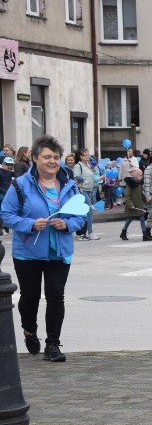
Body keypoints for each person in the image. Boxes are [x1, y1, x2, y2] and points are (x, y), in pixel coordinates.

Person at [0, 135, 86, 362]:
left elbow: (81, 215)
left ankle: (53, 344)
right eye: (47, 157)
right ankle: (29, 330)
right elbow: (6, 214)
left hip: (59, 251)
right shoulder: (20, 185)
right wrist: (29, 224)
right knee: (30, 298)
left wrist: (67, 224)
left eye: (56, 157)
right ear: (35, 159)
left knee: (56, 297)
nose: (52, 161)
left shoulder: (69, 185)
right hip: (28, 252)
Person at [72, 149, 102, 241]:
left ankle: (83, 233)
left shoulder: (88, 165)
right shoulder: (78, 166)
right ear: (80, 157)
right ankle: (89, 232)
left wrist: (100, 178)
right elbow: (77, 177)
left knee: (86, 211)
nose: (87, 156)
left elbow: (91, 178)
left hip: (89, 190)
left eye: (88, 154)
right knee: (89, 211)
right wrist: (79, 184)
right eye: (85, 155)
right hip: (82, 190)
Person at [120, 166, 151, 241]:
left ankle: (144, 234)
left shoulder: (139, 184)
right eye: (140, 175)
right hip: (133, 206)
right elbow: (127, 196)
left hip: (139, 205)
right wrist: (130, 205)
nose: (141, 177)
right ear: (136, 176)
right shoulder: (130, 184)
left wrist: (145, 200)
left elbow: (141, 194)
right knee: (130, 219)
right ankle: (124, 232)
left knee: (142, 218)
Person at [0, 156, 13, 234]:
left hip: (7, 194)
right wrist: (4, 191)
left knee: (6, 211)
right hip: (1, 195)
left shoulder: (9, 173)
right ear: (3, 164)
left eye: (11, 165)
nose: (9, 166)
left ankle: (6, 228)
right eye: (8, 164)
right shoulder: (0, 172)